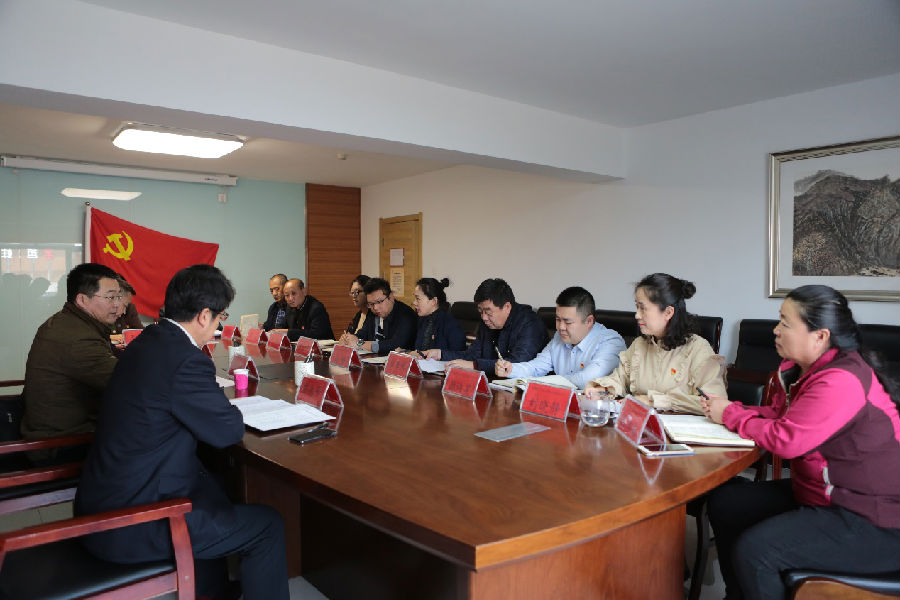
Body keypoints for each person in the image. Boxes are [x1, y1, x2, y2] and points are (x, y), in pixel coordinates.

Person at [75, 264, 289, 600]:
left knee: (214, 485)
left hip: (106, 498)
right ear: (204, 316)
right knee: (267, 524)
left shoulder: (149, 340)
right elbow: (226, 431)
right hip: (132, 522)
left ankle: (212, 590)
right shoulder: (186, 359)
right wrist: (223, 404)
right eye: (220, 317)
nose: (218, 325)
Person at [702, 285, 900, 600]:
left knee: (756, 552)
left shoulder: (840, 380)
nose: (776, 330)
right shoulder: (811, 369)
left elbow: (787, 439)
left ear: (820, 336)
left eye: (785, 322)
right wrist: (733, 410)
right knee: (728, 502)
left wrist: (730, 414)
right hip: (825, 494)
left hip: (874, 518)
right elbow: (786, 416)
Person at [585, 273, 725, 414]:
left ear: (668, 312)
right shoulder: (639, 345)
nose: (637, 315)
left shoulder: (698, 349)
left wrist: (655, 401)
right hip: (639, 423)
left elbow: (714, 403)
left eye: (643, 308)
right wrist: (602, 390)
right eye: (637, 307)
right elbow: (620, 379)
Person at [21, 263, 122, 453]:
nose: (117, 304)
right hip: (61, 442)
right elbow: (126, 382)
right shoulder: (79, 338)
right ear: (82, 300)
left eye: (118, 296)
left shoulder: (65, 321)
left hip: (48, 428)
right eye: (110, 297)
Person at [495, 286, 625, 388]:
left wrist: (542, 382)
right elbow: (537, 366)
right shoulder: (560, 337)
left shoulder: (611, 342)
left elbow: (587, 379)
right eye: (558, 319)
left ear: (589, 321)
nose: (561, 327)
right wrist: (511, 369)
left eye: (568, 322)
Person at [427, 278, 547, 373]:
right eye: (481, 311)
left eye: (488, 312)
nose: (484, 317)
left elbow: (516, 364)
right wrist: (441, 354)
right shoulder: (488, 322)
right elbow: (472, 354)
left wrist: (474, 365)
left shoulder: (530, 324)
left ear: (507, 307)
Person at [339, 277, 416, 354]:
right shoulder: (372, 313)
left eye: (379, 302)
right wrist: (349, 339)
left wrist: (360, 344)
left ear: (391, 297)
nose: (375, 308)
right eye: (371, 304)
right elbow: (362, 334)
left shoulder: (406, 315)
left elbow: (395, 345)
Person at [410, 277, 466, 353]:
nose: (414, 303)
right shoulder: (421, 320)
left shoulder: (451, 325)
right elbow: (417, 350)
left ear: (433, 301)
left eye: (418, 298)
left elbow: (458, 355)